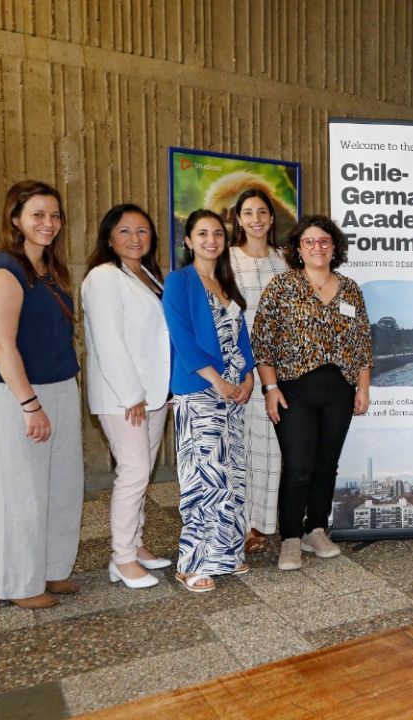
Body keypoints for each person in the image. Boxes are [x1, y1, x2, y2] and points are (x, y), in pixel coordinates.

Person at [251, 215, 372, 572]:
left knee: (326, 466)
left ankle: (315, 529)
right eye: (310, 242)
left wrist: (363, 386)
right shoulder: (281, 287)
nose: (317, 247)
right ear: (298, 249)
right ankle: (290, 537)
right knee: (299, 467)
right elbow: (262, 343)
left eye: (324, 241)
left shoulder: (350, 289)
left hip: (339, 389)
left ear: (334, 247)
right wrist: (270, 388)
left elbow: (362, 342)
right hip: (293, 390)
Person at [0, 180, 83, 609]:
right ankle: (20, 583)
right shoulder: (6, 269)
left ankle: (52, 569)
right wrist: (30, 405)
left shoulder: (51, 271)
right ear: (16, 220)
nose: (49, 223)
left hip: (61, 387)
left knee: (62, 486)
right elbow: (1, 345)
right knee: (24, 493)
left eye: (54, 215)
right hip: (21, 396)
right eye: (37, 215)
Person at [163, 209, 255, 592]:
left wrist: (248, 376)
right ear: (188, 241)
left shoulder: (225, 285)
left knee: (230, 475)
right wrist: (218, 382)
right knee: (203, 478)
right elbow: (182, 338)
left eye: (217, 233)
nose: (210, 240)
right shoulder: (179, 282)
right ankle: (192, 563)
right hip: (201, 391)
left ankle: (226, 554)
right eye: (202, 233)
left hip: (233, 395)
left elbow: (241, 337)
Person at [82, 204, 172, 589]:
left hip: (155, 392)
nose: (135, 238)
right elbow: (108, 339)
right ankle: (121, 559)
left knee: (142, 471)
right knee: (133, 474)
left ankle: (135, 545)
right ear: (109, 237)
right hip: (125, 396)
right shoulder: (103, 277)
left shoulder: (150, 275)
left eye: (142, 231)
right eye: (125, 231)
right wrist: (132, 393)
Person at [229, 189, 288, 554]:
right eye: (248, 212)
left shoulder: (283, 261)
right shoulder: (227, 259)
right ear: (237, 219)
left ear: (270, 218)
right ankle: (233, 522)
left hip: (276, 370)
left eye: (262, 212)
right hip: (236, 366)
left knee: (268, 450)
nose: (256, 219)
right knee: (237, 448)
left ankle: (259, 525)